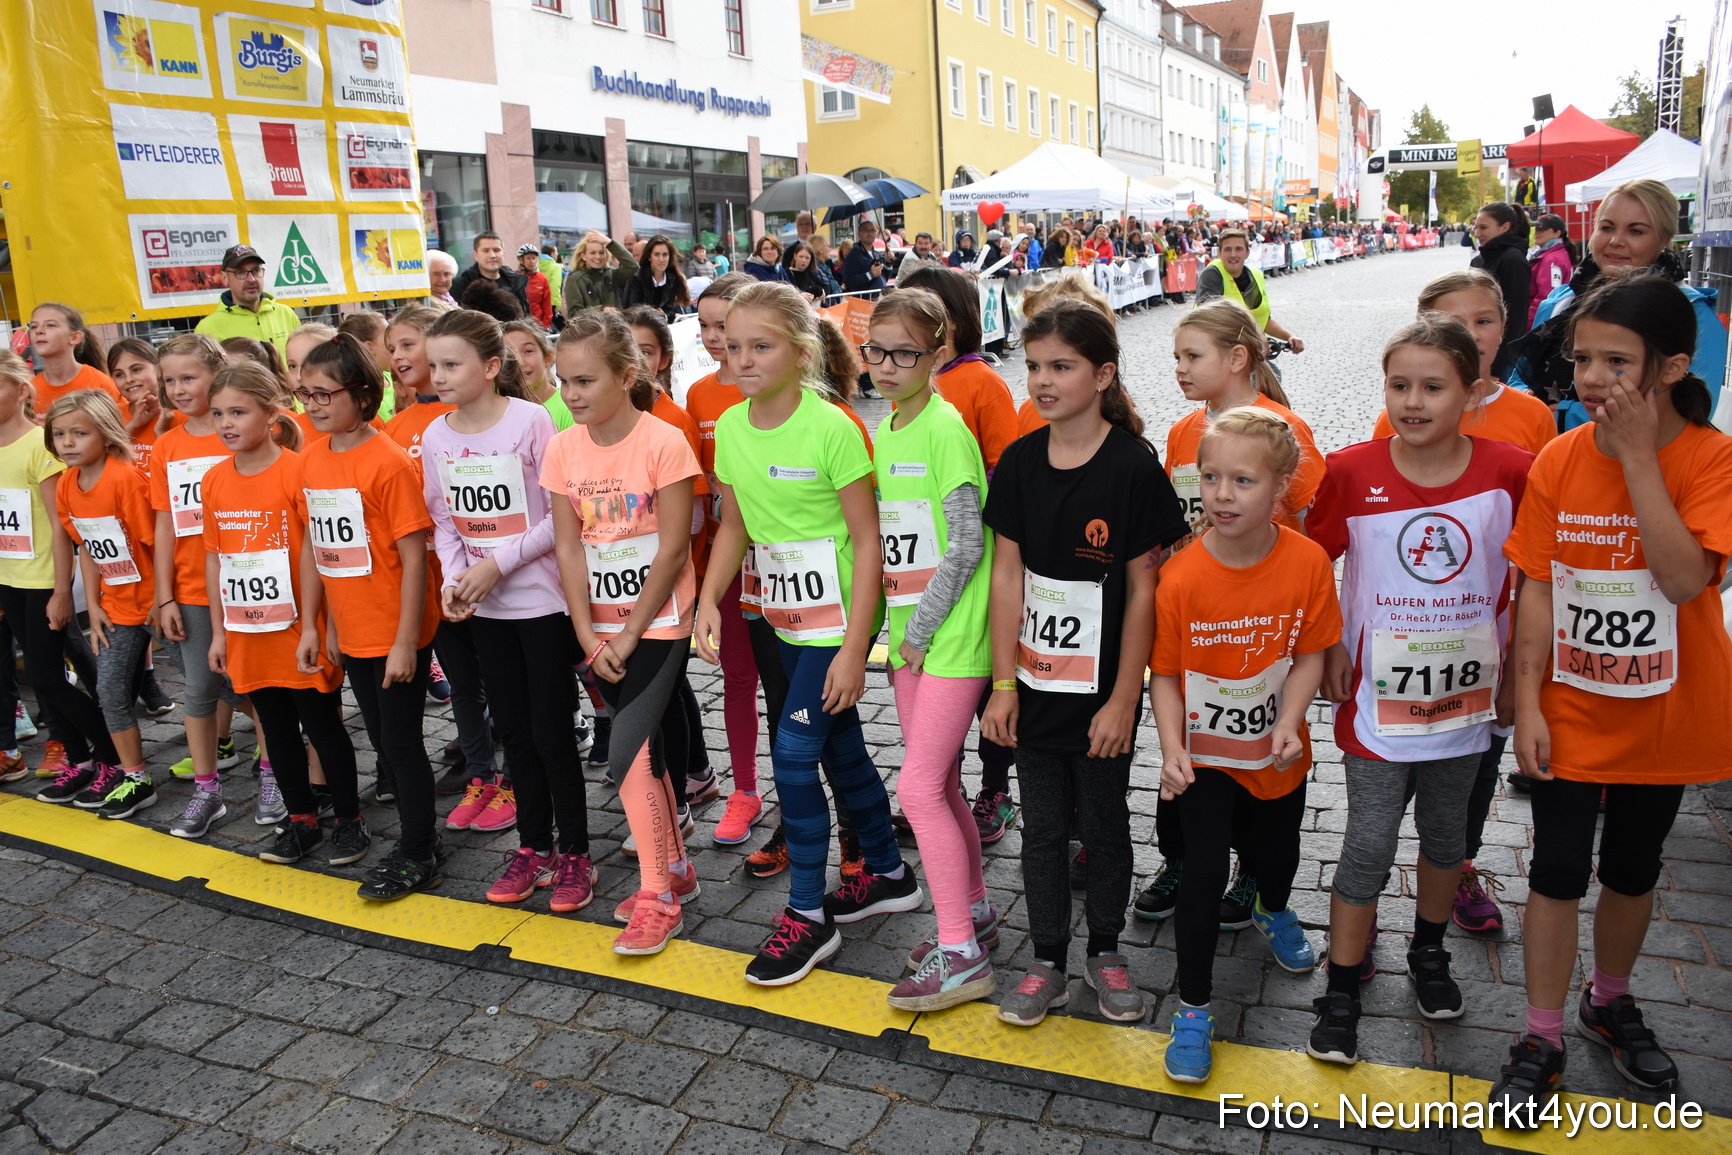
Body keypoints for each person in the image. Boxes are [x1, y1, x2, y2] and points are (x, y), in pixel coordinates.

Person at [1489, 274, 1732, 1121]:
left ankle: (1611, 997)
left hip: (1665, 709)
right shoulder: (1559, 456)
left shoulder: (1710, 456)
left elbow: (1682, 576)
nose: (1592, 378)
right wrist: (1527, 700)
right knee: (1556, 868)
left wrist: (1637, 458)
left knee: (1631, 865)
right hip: (1572, 706)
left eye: (1616, 362)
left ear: (1670, 367)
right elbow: (1539, 587)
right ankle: (1543, 1031)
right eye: (1582, 357)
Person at [1305, 314, 1533, 1068]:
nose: (1413, 400)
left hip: (1466, 705)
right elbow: (1312, 567)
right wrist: (1331, 643)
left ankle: (1428, 954)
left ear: (1472, 392)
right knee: (1366, 842)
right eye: (1399, 384)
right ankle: (1341, 986)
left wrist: (1520, 684)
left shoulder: (1510, 470)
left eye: (1433, 386)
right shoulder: (1350, 470)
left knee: (1446, 840)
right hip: (1376, 704)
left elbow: (1534, 578)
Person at [697, 281, 916, 986]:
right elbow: (734, 524)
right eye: (734, 347)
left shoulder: (833, 427)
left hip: (837, 623)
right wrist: (709, 598)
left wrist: (856, 649)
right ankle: (885, 867)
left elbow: (868, 535)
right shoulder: (731, 428)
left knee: (793, 755)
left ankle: (808, 917)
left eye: (760, 346)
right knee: (839, 744)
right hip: (777, 618)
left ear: (800, 351)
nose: (744, 359)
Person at [981, 301, 1187, 1028]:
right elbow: (1007, 576)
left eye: (1060, 366)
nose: (1041, 379)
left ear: (1102, 375)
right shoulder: (1018, 463)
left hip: (1102, 694)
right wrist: (1002, 684)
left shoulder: (1132, 466)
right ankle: (1046, 960)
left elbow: (1143, 588)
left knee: (1103, 823)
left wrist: (1124, 697)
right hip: (1034, 689)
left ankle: (1104, 948)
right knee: (1041, 829)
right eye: (1034, 365)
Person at [1152, 406, 1340, 1084]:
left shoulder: (1308, 562)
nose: (1222, 494)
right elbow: (1166, 675)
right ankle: (1194, 1008)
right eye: (1210, 478)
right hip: (1205, 758)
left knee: (1275, 856)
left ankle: (1272, 905)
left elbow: (1313, 655)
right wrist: (1173, 748)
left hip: (1277, 753)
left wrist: (1290, 719)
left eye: (1242, 480)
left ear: (1281, 485)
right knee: (1203, 874)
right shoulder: (1182, 577)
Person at [421, 309, 596, 913]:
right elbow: (444, 519)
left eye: (451, 364)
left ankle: (575, 852)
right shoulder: (435, 435)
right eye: (433, 363)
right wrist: (454, 579)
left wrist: (496, 563)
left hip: (542, 605)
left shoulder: (532, 420)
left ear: (492, 368)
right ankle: (532, 847)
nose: (437, 374)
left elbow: (559, 519)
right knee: (514, 735)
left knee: (552, 734)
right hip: (486, 612)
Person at [857, 288, 998, 1012]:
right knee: (936, 783)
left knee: (915, 790)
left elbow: (967, 544)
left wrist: (914, 634)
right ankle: (969, 910)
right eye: (874, 350)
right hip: (912, 640)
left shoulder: (944, 429)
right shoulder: (891, 424)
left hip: (949, 640)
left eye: (903, 352)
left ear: (938, 352)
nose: (885, 365)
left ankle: (962, 954)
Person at [548, 309, 700, 953]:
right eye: (563, 381)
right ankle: (677, 872)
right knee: (649, 753)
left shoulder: (664, 442)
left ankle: (657, 896)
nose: (572, 393)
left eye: (584, 380)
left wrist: (631, 634)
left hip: (659, 624)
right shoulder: (562, 449)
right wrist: (587, 634)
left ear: (627, 375)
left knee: (628, 752)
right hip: (599, 628)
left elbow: (671, 550)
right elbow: (568, 548)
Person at [200, 362, 369, 859]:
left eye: (238, 411)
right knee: (273, 729)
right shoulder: (213, 480)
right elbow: (216, 559)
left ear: (271, 415)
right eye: (217, 414)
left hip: (300, 628)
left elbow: (324, 553)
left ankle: (349, 819)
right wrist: (217, 634)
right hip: (248, 630)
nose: (226, 423)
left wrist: (327, 627)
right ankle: (300, 819)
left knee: (322, 726)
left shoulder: (299, 470)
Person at [295, 334, 443, 900]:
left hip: (394, 628)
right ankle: (417, 836)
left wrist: (407, 642)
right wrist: (314, 624)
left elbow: (413, 558)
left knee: (401, 743)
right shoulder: (311, 458)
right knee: (383, 740)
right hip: (351, 630)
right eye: (305, 393)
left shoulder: (386, 461)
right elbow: (315, 548)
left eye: (323, 394)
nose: (312, 404)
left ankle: (417, 848)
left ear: (361, 395)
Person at [381, 308, 498, 801]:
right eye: (391, 349)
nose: (399, 357)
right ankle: (478, 769)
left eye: (408, 344)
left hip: (491, 576)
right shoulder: (398, 426)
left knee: (500, 676)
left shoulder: (480, 414)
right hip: (435, 578)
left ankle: (509, 766)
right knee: (462, 681)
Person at [1510, 180, 1725, 433]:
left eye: (1636, 231)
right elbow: (1520, 375)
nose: (1615, 240)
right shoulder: (1560, 301)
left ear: (1664, 238)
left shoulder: (1693, 313)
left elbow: (1693, 410)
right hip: (1550, 454)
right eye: (1607, 227)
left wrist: (1568, 416)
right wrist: (1527, 401)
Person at [0, 354, 123, 792]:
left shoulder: (39, 445)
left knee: (49, 677)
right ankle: (79, 759)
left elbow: (60, 525)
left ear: (21, 391)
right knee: (43, 678)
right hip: (9, 578)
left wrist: (59, 592)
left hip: (42, 578)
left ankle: (111, 755)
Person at [150, 335, 257, 815]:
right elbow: (165, 523)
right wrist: (164, 595)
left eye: (188, 377)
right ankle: (206, 789)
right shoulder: (166, 445)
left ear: (218, 373)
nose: (177, 388)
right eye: (169, 380)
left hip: (255, 581)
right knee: (199, 687)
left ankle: (277, 770)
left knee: (257, 686)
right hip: (194, 587)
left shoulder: (239, 431)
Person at [683, 273, 766, 847]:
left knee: (791, 688)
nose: (715, 339)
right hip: (728, 558)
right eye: (707, 326)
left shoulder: (787, 388)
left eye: (726, 327)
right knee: (737, 679)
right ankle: (743, 790)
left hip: (789, 562)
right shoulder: (700, 396)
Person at [46, 392, 156, 819]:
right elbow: (88, 548)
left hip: (156, 606)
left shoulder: (125, 479)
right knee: (109, 692)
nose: (68, 442)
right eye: (59, 434)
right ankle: (135, 778)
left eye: (79, 432)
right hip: (117, 610)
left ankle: (270, 737)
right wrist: (92, 607)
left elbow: (153, 544)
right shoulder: (68, 485)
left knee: (212, 688)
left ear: (106, 433)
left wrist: (162, 602)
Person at [1194, 230, 1304, 352]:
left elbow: (1263, 320)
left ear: (1247, 253)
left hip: (1246, 350)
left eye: (1239, 249)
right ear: (1219, 253)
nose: (1233, 254)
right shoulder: (1213, 273)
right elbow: (1209, 317)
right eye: (1227, 249)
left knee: (1270, 371)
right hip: (1212, 349)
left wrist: (1290, 336)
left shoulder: (1255, 275)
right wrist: (1253, 338)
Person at [1468, 203, 1533, 378]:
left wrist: (1498, 365)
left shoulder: (1513, 261)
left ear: (1504, 227)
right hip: (1478, 352)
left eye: (1483, 227)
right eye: (1476, 227)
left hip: (1501, 361)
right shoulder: (1478, 261)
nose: (1477, 233)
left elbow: (1516, 319)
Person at [196, 245, 301, 350]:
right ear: (225, 278)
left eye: (256, 270)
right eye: (241, 272)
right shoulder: (207, 329)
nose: (251, 279)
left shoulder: (286, 314)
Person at [29, 304, 126, 417]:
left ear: (75, 337)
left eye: (50, 325)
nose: (39, 331)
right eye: (33, 327)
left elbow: (122, 427)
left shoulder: (100, 383)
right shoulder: (30, 391)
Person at [504, 320, 575, 431]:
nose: (520, 362)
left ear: (547, 358)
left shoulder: (570, 406)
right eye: (510, 354)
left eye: (528, 351)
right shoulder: (498, 409)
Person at [562, 230, 639, 319]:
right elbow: (574, 314)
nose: (598, 257)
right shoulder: (575, 279)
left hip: (617, 328)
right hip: (592, 331)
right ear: (583, 256)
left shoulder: (611, 274)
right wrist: (602, 310)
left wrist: (610, 243)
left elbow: (633, 266)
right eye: (593, 253)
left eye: (602, 252)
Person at [452, 232, 532, 316]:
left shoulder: (516, 281)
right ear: (475, 255)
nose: (492, 255)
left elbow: (525, 315)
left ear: (503, 254)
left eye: (496, 250)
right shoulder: (461, 284)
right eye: (486, 251)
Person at [624, 235, 691, 322]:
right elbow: (630, 310)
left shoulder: (672, 279)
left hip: (659, 327)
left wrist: (673, 316)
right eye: (656, 254)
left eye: (665, 254)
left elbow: (667, 309)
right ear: (649, 257)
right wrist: (654, 312)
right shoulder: (636, 279)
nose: (661, 259)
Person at [1526, 215, 1575, 326]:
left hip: (1539, 323)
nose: (1537, 232)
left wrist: (1528, 324)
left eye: (1542, 229)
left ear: (1557, 233)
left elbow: (1548, 297)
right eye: (1536, 228)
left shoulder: (1552, 259)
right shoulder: (1553, 254)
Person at [841, 220, 887, 293]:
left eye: (872, 230)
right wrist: (870, 274)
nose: (869, 233)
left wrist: (888, 262)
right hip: (865, 300)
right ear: (859, 234)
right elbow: (848, 281)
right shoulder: (853, 256)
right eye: (866, 230)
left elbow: (884, 277)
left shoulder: (876, 254)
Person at [517, 245, 554, 328]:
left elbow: (547, 305)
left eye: (534, 258)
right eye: (528, 258)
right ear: (521, 260)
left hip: (538, 324)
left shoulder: (542, 278)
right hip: (520, 324)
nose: (532, 261)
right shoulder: (515, 277)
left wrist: (546, 325)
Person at [538, 243, 565, 320]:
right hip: (551, 303)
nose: (557, 254)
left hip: (539, 302)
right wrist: (558, 305)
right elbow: (555, 286)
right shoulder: (556, 267)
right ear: (552, 253)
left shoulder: (537, 266)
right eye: (556, 252)